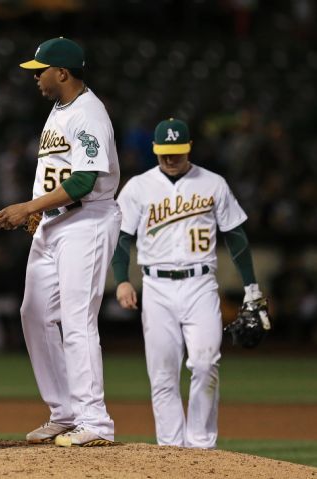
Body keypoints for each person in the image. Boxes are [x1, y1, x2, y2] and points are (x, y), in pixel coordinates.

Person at [0, 37, 121, 447]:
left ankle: (95, 421)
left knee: (77, 320)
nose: (35, 77)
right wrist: (40, 211)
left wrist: (28, 206)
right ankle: (64, 412)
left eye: (40, 70)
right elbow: (58, 170)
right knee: (33, 313)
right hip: (54, 222)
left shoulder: (89, 113)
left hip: (87, 222)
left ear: (62, 73)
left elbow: (83, 181)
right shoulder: (60, 108)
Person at [111, 118, 268, 448]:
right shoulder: (138, 187)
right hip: (156, 287)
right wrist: (122, 281)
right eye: (164, 153)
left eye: (177, 153)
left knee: (205, 362)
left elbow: (236, 236)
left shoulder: (213, 183)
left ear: (190, 148)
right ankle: (170, 449)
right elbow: (122, 238)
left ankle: (201, 445)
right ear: (154, 150)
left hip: (200, 285)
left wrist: (251, 287)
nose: (170, 159)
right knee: (163, 373)